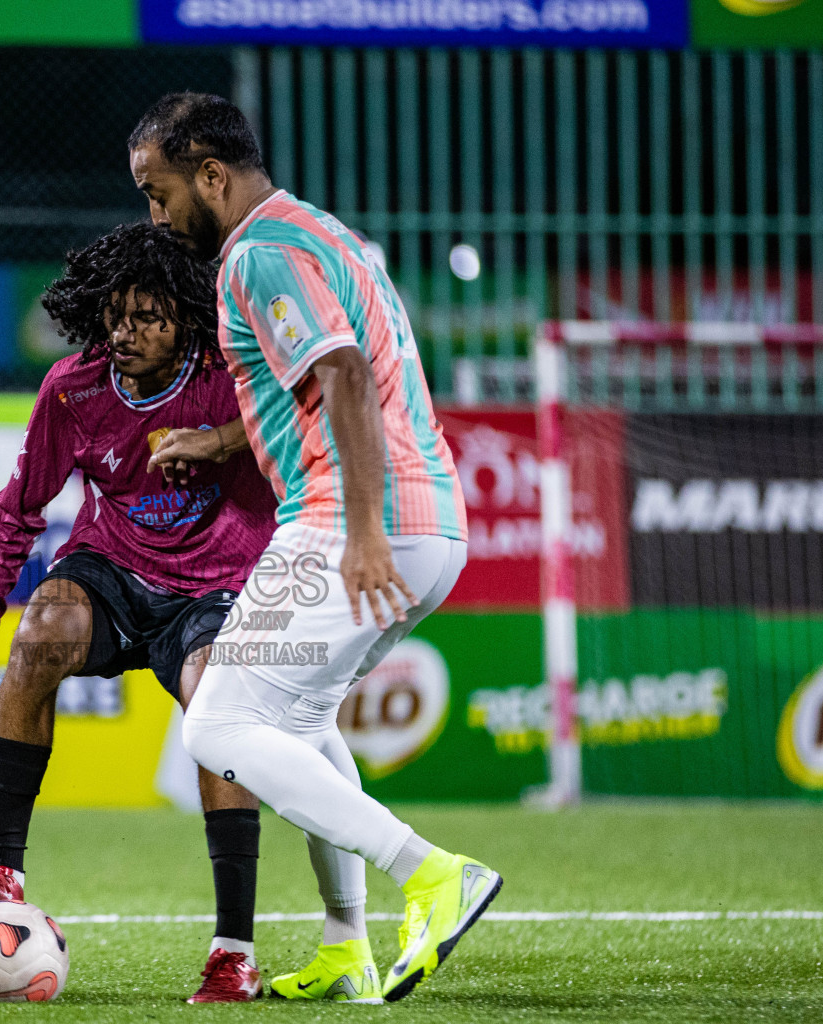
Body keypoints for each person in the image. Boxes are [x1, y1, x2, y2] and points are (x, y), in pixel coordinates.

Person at [132, 93, 502, 1004]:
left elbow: (340, 375)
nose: (156, 215)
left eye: (159, 191)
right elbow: (318, 379)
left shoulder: (258, 255)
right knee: (297, 722)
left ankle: (429, 873)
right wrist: (219, 442)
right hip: (426, 521)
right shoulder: (320, 234)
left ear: (211, 176)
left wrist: (364, 531)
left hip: (354, 521)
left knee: (218, 725)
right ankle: (348, 944)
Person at [0, 222, 278, 1003]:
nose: (125, 332)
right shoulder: (74, 388)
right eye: (115, 314)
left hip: (215, 587)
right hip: (112, 573)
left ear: (185, 316)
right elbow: (19, 509)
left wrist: (220, 443)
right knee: (44, 627)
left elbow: (291, 444)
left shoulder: (231, 379)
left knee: (211, 709)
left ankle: (234, 953)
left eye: (147, 316)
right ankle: (3, 870)